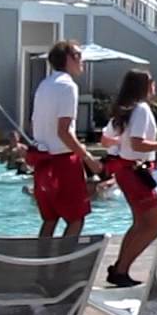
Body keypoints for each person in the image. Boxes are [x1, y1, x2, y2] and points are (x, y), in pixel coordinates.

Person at [102, 69, 157, 287]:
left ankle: (120, 267)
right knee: (155, 222)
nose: (155, 86)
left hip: (127, 172)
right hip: (136, 171)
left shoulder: (127, 110)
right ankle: (122, 268)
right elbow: (138, 143)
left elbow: (110, 140)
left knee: (140, 222)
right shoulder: (142, 109)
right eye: (152, 82)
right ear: (145, 86)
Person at [28, 40, 100, 238]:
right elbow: (64, 131)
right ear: (68, 59)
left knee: (50, 219)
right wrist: (88, 158)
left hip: (42, 160)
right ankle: (63, 263)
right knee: (76, 219)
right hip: (63, 161)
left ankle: (41, 264)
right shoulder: (68, 87)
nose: (82, 61)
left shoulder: (44, 85)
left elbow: (34, 124)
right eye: (78, 56)